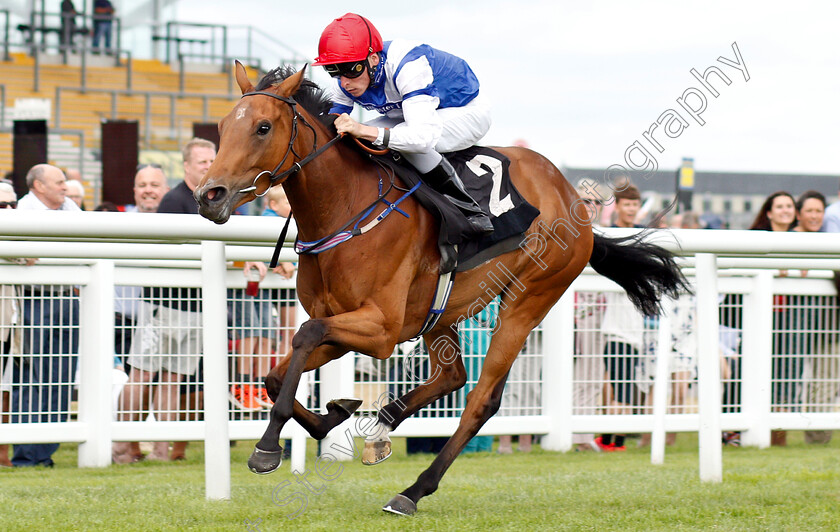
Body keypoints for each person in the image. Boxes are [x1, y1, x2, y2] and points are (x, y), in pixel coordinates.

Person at [313, 13, 493, 238]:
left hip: (466, 112)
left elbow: (422, 138)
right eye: (334, 70)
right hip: (413, 113)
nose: (344, 81)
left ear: (373, 60)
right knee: (353, 139)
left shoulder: (408, 66)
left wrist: (363, 130)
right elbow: (329, 127)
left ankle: (469, 211)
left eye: (351, 69)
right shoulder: (345, 79)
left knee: (400, 140)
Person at [115, 139, 215, 462]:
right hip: (162, 304)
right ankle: (121, 444)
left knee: (174, 378)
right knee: (142, 374)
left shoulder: (212, 196)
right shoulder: (174, 200)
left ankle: (161, 449)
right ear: (186, 166)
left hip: (195, 307)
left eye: (211, 160)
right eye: (201, 161)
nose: (207, 165)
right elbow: (172, 253)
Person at [10, 165, 80, 467]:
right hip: (33, 299)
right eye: (59, 181)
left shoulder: (70, 207)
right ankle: (27, 455)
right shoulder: (21, 209)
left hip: (68, 298)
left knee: (62, 377)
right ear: (39, 185)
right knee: (33, 377)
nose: (65, 186)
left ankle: (46, 453)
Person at [110, 165, 169, 464]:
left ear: (165, 189)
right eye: (142, 185)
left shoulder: (176, 221)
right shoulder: (123, 224)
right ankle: (123, 446)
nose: (148, 189)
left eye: (154, 184)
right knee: (137, 379)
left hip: (160, 312)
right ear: (134, 191)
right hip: (126, 318)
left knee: (163, 380)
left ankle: (151, 448)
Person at [750, 191, 795, 446]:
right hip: (760, 317)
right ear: (769, 212)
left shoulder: (801, 240)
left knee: (785, 373)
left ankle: (779, 436)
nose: (785, 211)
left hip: (789, 318)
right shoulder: (758, 240)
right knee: (758, 372)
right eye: (780, 206)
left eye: (789, 206)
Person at [792, 191, 836, 444]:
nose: (815, 216)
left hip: (826, 324)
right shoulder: (789, 240)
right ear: (800, 214)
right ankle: (777, 434)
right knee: (786, 378)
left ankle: (818, 437)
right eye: (809, 211)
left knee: (825, 380)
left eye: (819, 211)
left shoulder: (829, 242)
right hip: (790, 323)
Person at [0, 182, 23, 467]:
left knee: (6, 388)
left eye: (12, 205)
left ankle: (3, 453)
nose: (7, 210)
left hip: (11, 323)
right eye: (1, 206)